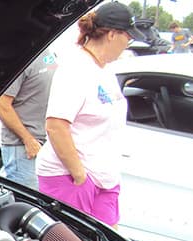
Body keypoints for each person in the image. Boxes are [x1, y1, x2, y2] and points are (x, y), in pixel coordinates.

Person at [35, 2, 144, 228]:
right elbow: (56, 125)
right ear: (112, 34)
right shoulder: (76, 68)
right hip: (70, 177)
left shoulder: (104, 70)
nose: (128, 44)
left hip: (104, 178)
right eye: (128, 37)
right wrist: (78, 174)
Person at [0, 49, 58, 188]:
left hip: (45, 145)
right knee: (27, 204)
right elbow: (0, 104)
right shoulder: (23, 58)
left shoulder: (49, 52)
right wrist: (28, 139)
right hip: (24, 148)